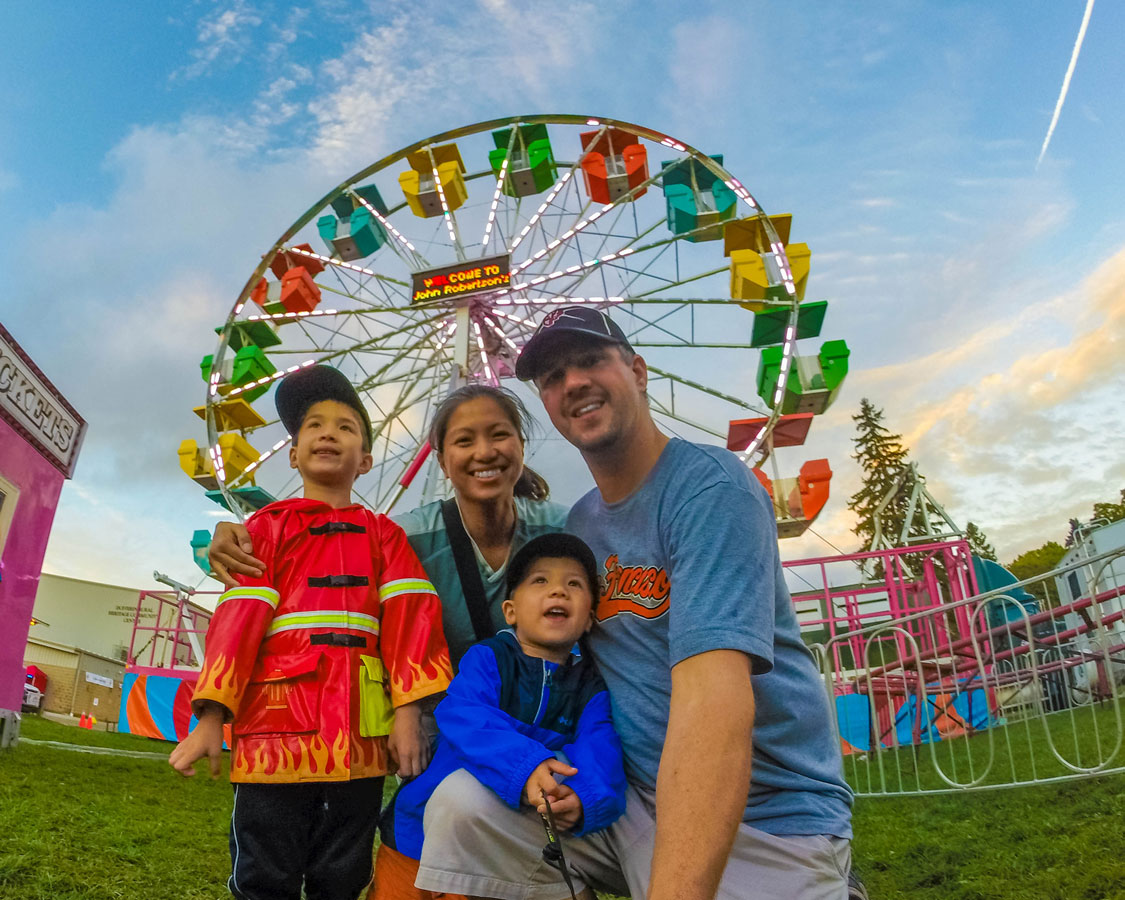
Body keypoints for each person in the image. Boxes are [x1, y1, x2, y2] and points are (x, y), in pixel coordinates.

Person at [415, 307, 854, 900]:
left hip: (761, 816)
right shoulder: (582, 527)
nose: (573, 383)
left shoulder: (708, 489)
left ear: (639, 371)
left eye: (591, 360)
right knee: (464, 807)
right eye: (552, 377)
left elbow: (712, 699)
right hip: (627, 800)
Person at [170, 365, 453, 900]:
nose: (329, 433)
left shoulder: (386, 537)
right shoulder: (265, 530)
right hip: (274, 739)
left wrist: (410, 714)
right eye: (314, 426)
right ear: (294, 454)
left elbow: (411, 619)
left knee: (343, 876)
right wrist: (211, 717)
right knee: (263, 875)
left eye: (346, 427)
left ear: (366, 460)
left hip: (362, 744)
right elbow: (238, 623)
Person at [209, 383, 569, 670]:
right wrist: (245, 534)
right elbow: (320, 557)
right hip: (446, 731)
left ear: (521, 447)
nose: (485, 452)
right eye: (464, 441)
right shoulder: (402, 538)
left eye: (499, 435)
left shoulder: (566, 528)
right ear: (442, 461)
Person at [375, 532, 627, 900]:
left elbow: (601, 748)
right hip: (420, 829)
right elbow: (464, 713)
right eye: (540, 581)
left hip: (494, 837)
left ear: (589, 618)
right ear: (510, 611)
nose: (558, 591)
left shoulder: (590, 688)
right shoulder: (489, 659)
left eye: (574, 584)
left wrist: (585, 798)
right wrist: (526, 765)